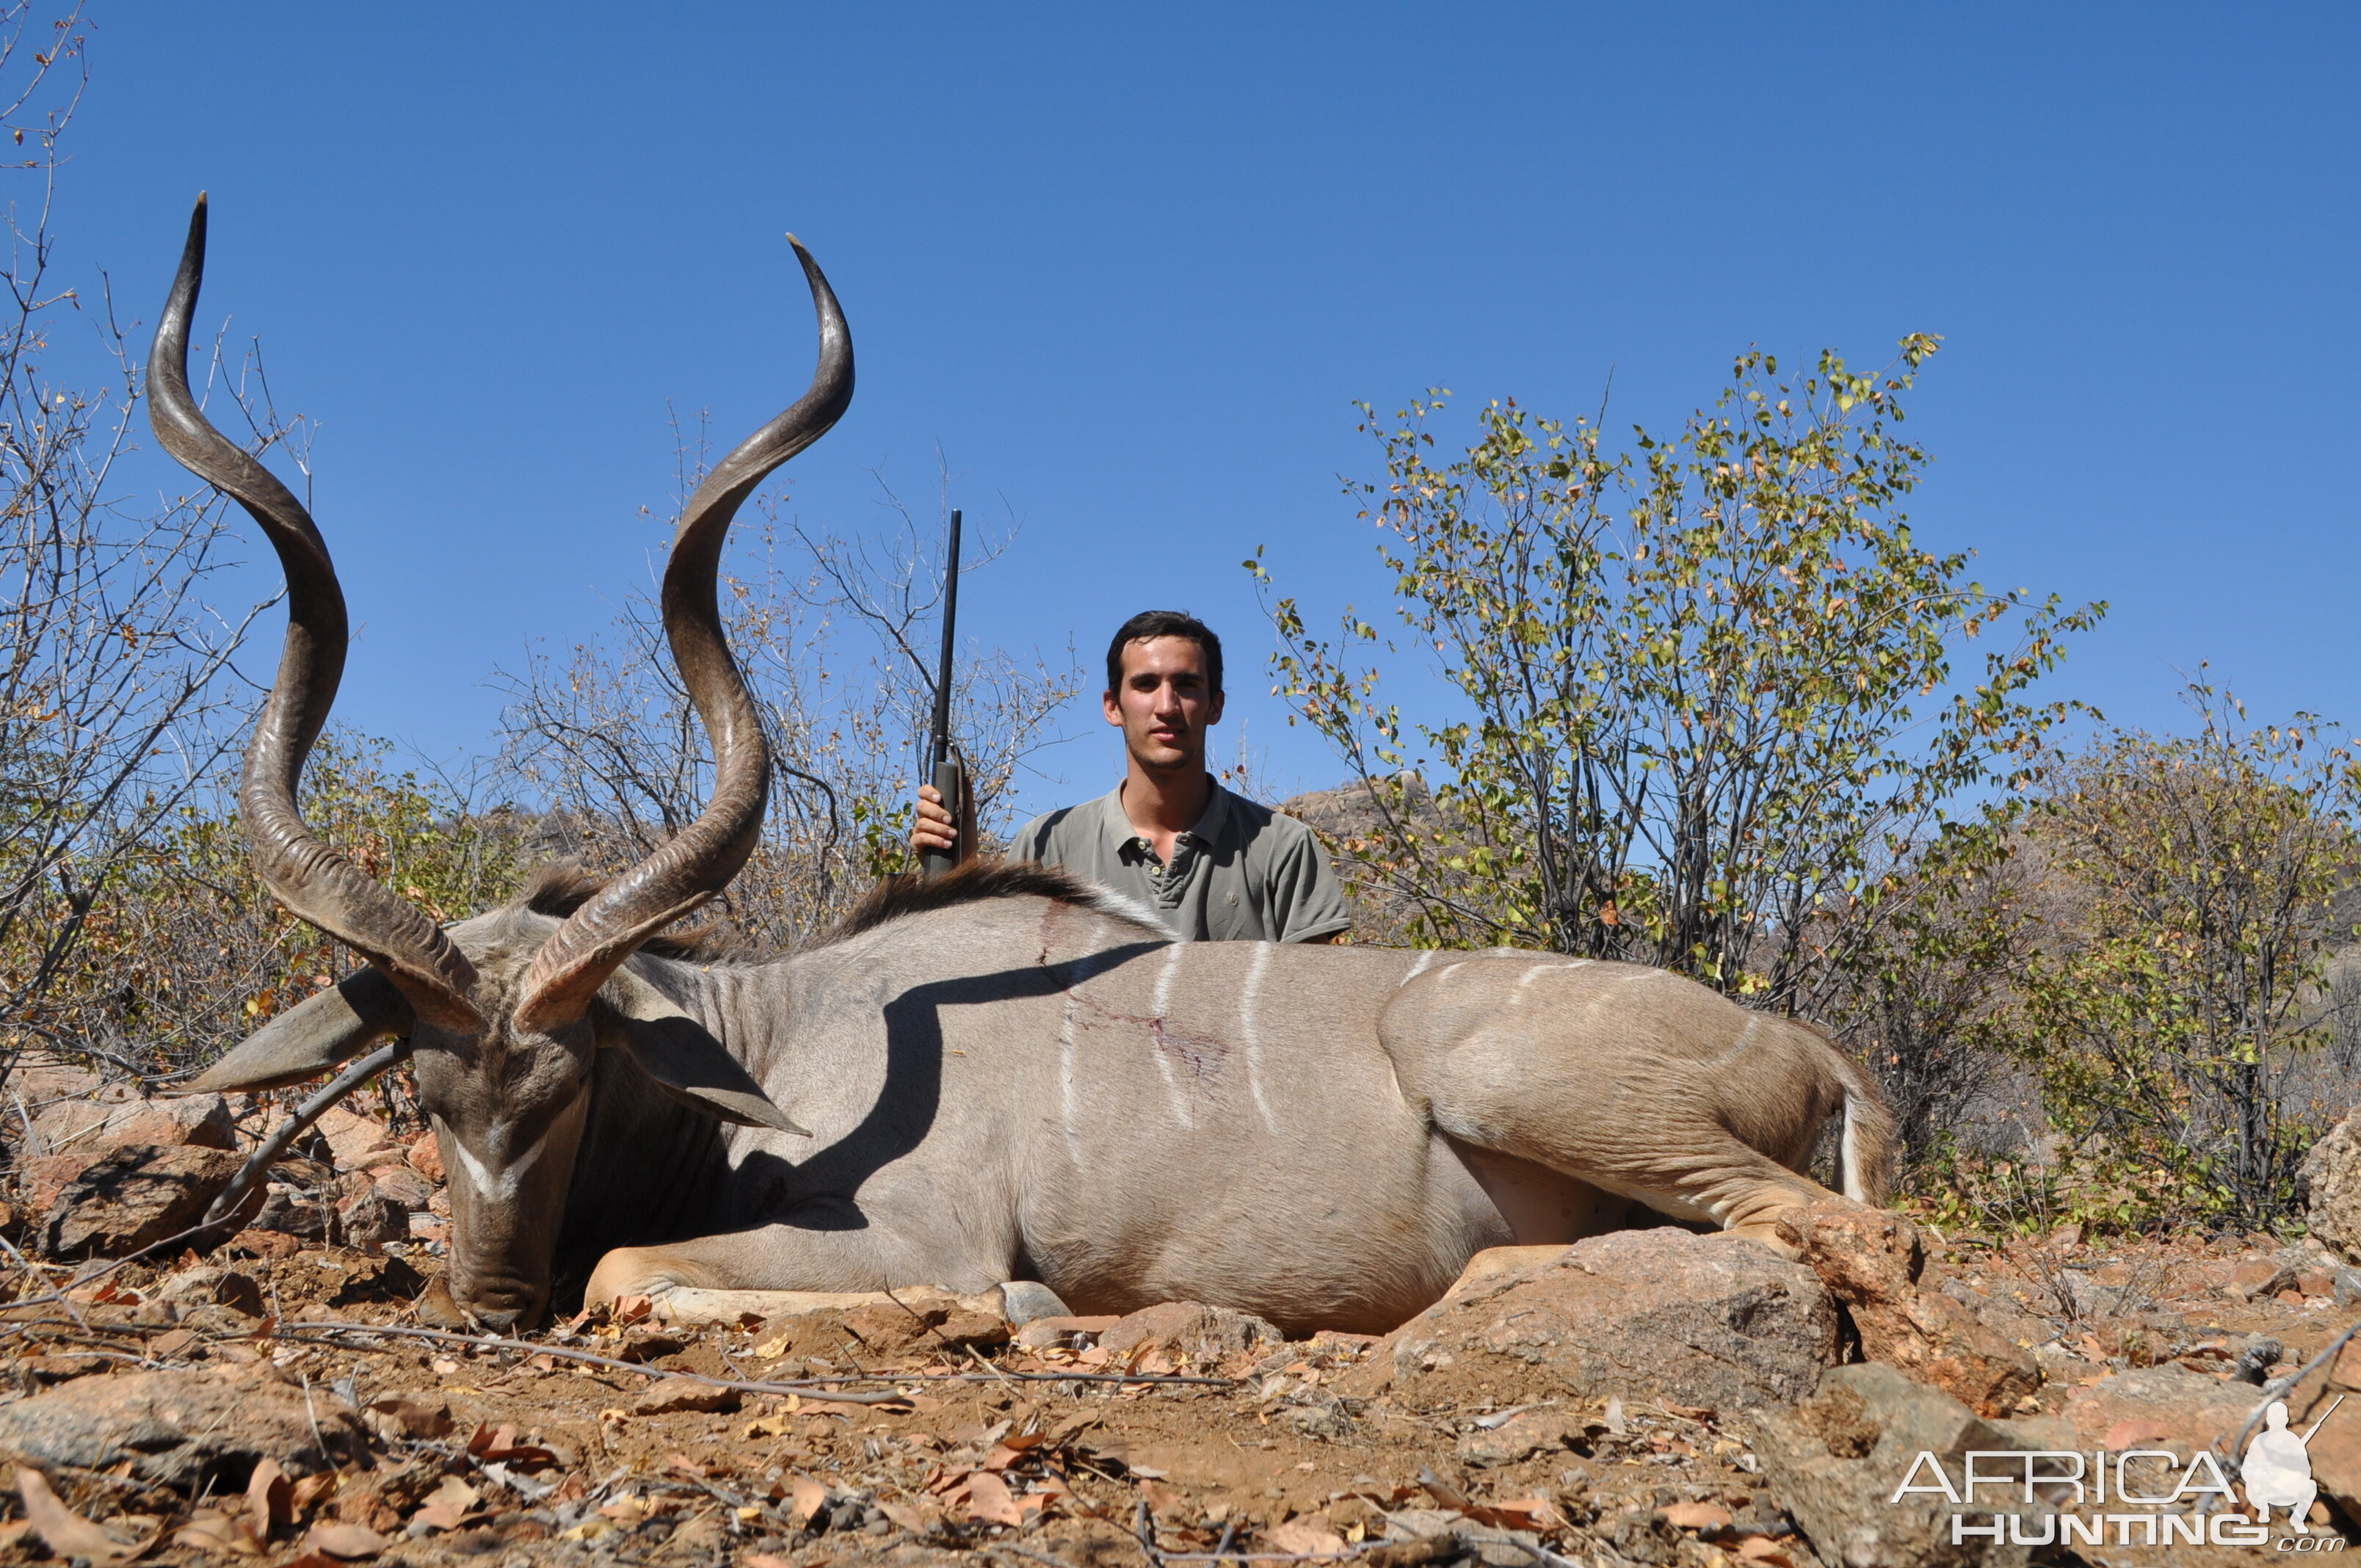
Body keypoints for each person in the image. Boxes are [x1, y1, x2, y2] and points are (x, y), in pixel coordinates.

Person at [913, 609, 1351, 944]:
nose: (1167, 706)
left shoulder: (1283, 847)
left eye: (1186, 685)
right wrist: (960, 874)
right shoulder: (1047, 845)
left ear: (1216, 706)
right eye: (1145, 685)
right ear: (1112, 706)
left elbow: (1311, 1016)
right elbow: (999, 987)